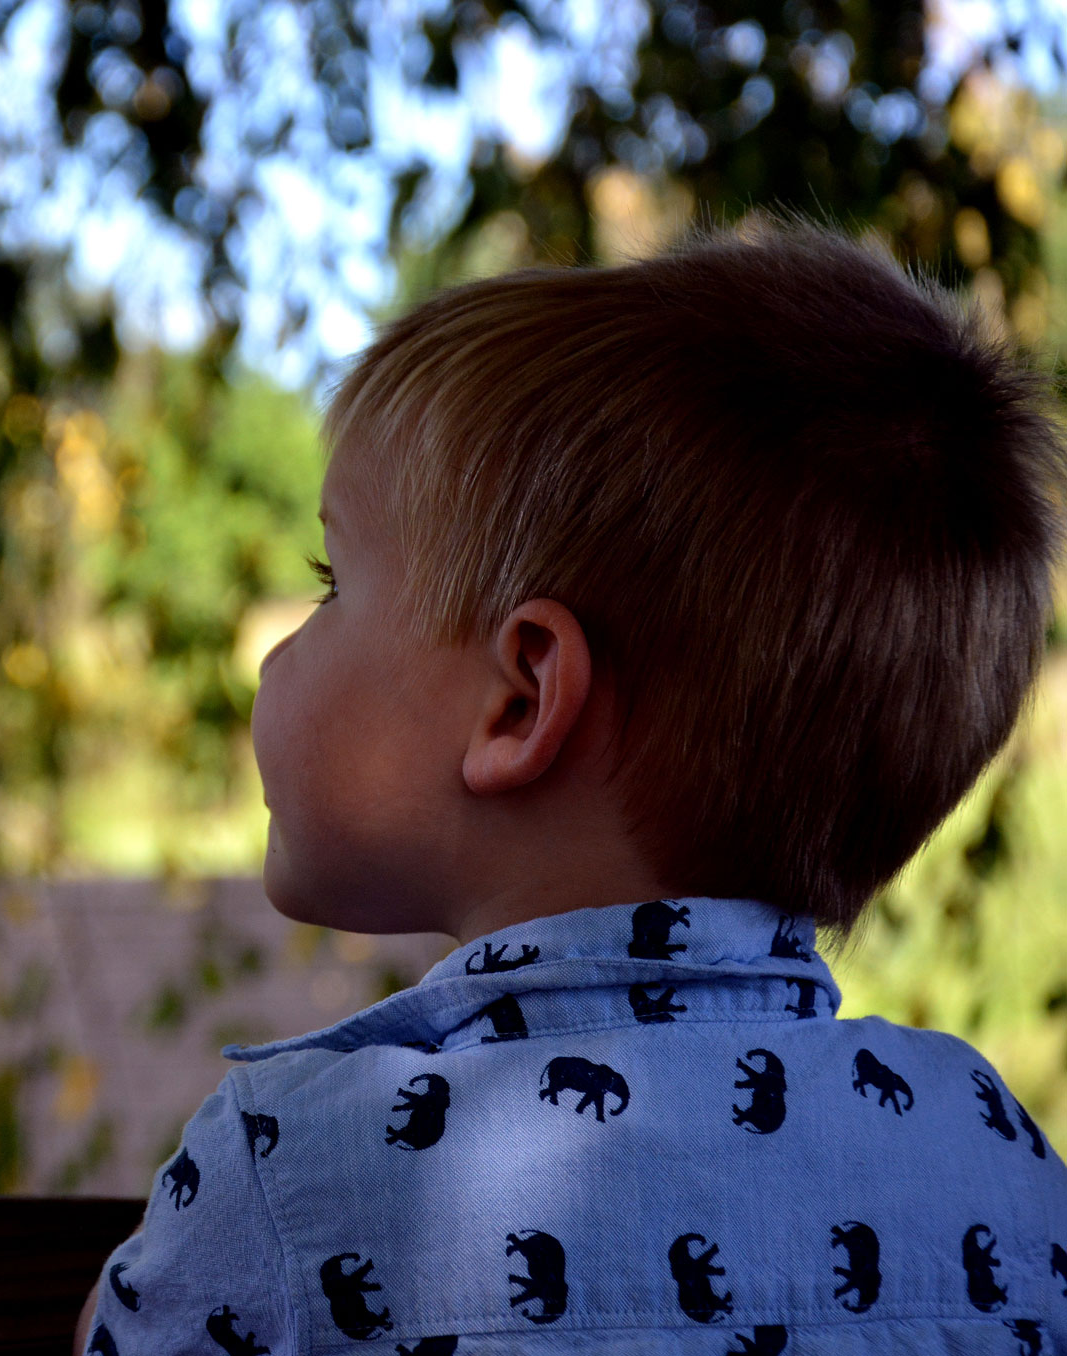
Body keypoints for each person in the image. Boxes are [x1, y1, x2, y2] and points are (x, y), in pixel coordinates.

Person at [76, 212, 1067, 1354]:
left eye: (328, 580)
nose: (275, 654)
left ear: (517, 700)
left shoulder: (285, 1176)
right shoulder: (986, 1148)